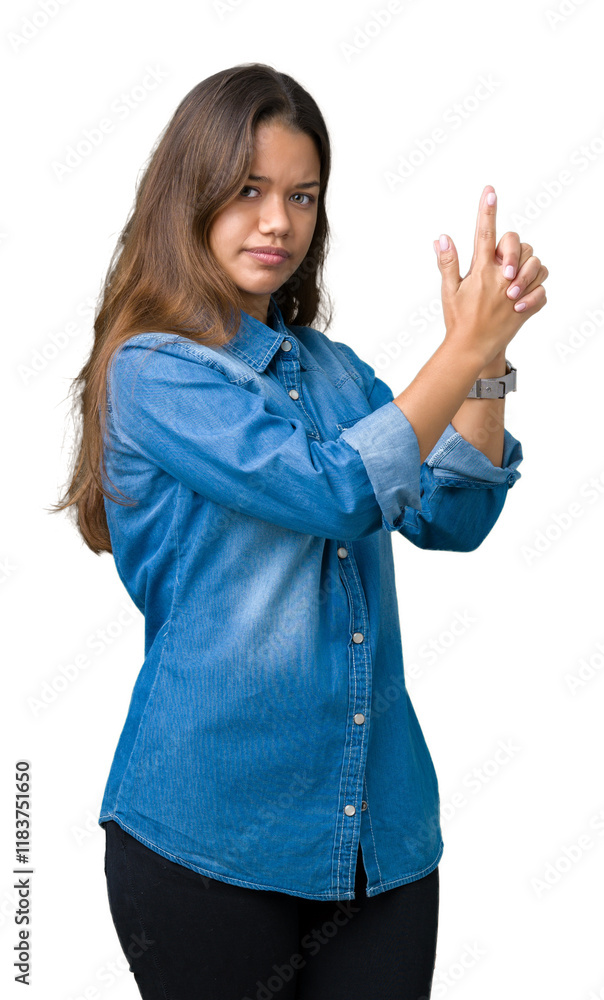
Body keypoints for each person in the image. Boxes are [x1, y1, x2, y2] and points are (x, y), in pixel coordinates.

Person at [53, 62, 548, 999]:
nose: (278, 220)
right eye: (248, 191)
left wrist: (487, 369)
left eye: (302, 195)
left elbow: (454, 514)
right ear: (187, 195)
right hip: (208, 835)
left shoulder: (332, 369)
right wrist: (459, 349)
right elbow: (334, 492)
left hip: (379, 839)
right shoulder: (154, 369)